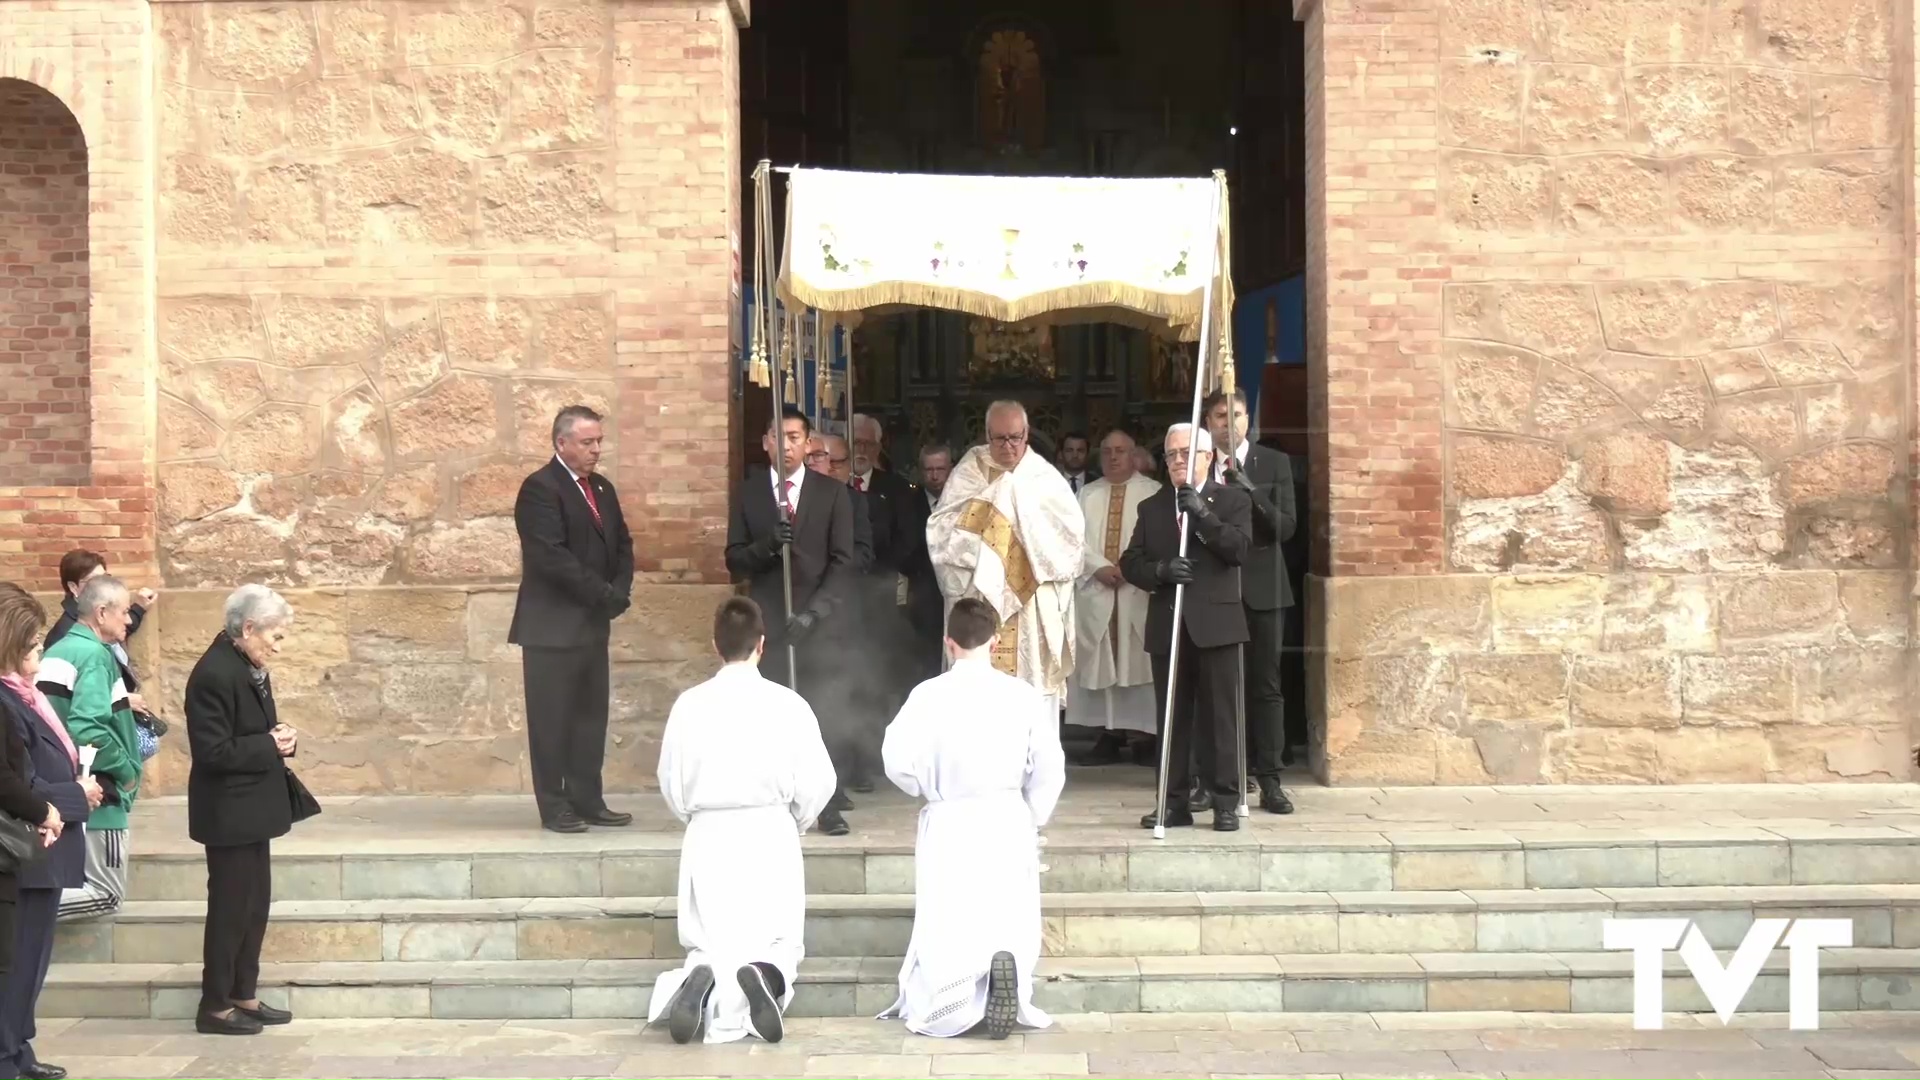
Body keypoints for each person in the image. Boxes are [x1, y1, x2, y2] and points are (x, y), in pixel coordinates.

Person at [647, 597, 837, 1045]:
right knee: (778, 935)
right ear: (762, 645)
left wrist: (694, 816)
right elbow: (818, 780)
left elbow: (669, 779)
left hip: (709, 831)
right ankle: (765, 976)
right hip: (769, 830)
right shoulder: (787, 704)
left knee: (708, 937)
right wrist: (798, 820)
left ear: (716, 645)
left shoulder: (688, 706)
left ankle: (703, 976)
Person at [877, 597, 1065, 1040]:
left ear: (948, 643)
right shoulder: (1020, 695)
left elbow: (896, 760)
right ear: (995, 642)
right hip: (1005, 816)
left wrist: (925, 789)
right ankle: (1006, 974)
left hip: (950, 818)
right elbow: (1049, 765)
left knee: (951, 911)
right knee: (1003, 907)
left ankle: (956, 998)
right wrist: (1032, 815)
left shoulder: (927, 695)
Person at [185, 584, 309, 1036]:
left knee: (254, 906)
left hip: (253, 808)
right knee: (230, 910)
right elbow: (212, 751)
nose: (279, 646)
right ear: (249, 628)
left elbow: (252, 732)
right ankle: (214, 1006)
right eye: (275, 636)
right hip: (228, 813)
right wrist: (268, 744)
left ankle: (244, 993)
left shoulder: (248, 664)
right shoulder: (215, 673)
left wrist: (281, 737)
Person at [726, 408, 856, 834]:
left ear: (808, 444)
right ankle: (777, 796)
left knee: (824, 711)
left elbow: (843, 562)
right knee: (774, 714)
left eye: (796, 437)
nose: (787, 446)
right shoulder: (748, 494)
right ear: (766, 441)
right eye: (779, 437)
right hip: (770, 624)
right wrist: (766, 544)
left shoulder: (831, 493)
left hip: (818, 621)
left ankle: (826, 802)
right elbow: (734, 559)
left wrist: (816, 611)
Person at [509, 405, 635, 834]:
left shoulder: (601, 488)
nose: (596, 449)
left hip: (591, 625)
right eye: (587, 442)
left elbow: (622, 543)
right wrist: (602, 594)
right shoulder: (540, 489)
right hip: (551, 628)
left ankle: (588, 798)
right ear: (561, 443)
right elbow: (550, 556)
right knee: (552, 720)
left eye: (599, 441)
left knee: (589, 718)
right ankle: (555, 804)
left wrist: (620, 590)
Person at [1120, 424, 1251, 832]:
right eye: (1171, 453)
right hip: (1170, 624)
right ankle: (1172, 802)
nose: (1177, 460)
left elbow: (1238, 549)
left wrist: (1202, 514)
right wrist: (1159, 570)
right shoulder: (1153, 506)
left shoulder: (1230, 499)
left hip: (1217, 624)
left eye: (1186, 453)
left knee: (1221, 718)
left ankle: (1225, 801)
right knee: (1172, 719)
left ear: (1207, 457)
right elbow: (1130, 562)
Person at [925, 401, 1086, 714]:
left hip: (1029, 609)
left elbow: (1070, 539)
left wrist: (1015, 509)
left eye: (1015, 437)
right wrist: (994, 505)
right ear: (986, 435)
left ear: (1026, 434)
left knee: (1028, 701)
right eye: (999, 438)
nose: (1008, 445)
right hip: (978, 601)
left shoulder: (1044, 477)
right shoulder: (968, 473)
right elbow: (941, 531)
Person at [0, 585, 87, 1080]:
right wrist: (74, 799)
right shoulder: (7, 702)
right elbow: (20, 779)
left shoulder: (25, 696)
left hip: (45, 842)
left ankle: (18, 1050)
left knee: (32, 965)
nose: (40, 653)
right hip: (26, 844)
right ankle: (7, 1055)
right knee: (17, 965)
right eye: (33, 643)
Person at [1205, 388, 1297, 814]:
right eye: (1221, 415)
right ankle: (1223, 776)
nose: (1229, 423)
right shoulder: (1199, 465)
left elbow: (1285, 528)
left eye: (1236, 414)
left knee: (1265, 685)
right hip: (1217, 589)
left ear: (1248, 419)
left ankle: (1270, 776)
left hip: (1263, 589)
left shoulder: (1272, 463)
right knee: (1220, 687)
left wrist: (1250, 491)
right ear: (1209, 422)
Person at [39, 575, 140, 920]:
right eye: (125, 611)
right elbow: (87, 728)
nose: (129, 619)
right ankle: (20, 911)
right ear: (101, 613)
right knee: (107, 894)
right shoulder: (95, 655)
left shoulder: (58, 649)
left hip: (64, 786)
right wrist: (127, 771)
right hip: (100, 791)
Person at [1068, 430, 1162, 764]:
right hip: (1098, 589)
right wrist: (1098, 568)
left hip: (1136, 592)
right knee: (1103, 663)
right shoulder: (1086, 495)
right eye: (1106, 451)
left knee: (1139, 663)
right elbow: (1072, 541)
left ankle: (1145, 736)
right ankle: (1108, 734)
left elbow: (1161, 539)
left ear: (1134, 454)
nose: (1113, 457)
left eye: (1120, 451)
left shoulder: (1153, 493)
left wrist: (1128, 569)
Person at [45, 551, 167, 763]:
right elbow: (78, 714)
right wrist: (123, 769)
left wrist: (137, 609)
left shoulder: (98, 625)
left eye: (106, 578)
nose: (101, 585)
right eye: (94, 580)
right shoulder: (73, 638)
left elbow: (119, 627)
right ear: (74, 588)